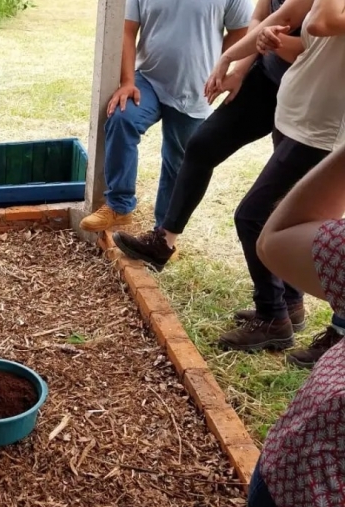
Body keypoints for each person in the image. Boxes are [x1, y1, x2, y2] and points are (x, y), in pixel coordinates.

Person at [113, 0, 345, 363]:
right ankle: (169, 240)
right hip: (286, 94)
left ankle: (279, 312)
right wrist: (234, 61)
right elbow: (270, 17)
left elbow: (318, 28)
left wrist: (269, 40)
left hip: (319, 120)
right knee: (208, 149)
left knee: (263, 214)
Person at [112, 0, 309, 272]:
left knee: (278, 202)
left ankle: (284, 303)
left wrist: (239, 52)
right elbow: (259, 19)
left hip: (308, 93)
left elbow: (309, 43)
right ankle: (163, 241)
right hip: (265, 77)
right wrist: (239, 70)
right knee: (202, 147)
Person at [203, 0, 345, 352]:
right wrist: (232, 55)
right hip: (295, 116)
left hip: (323, 131)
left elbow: (323, 22)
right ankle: (290, 305)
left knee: (252, 215)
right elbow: (287, 21)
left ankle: (273, 317)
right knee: (288, 214)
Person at [247, 140, 345, 507]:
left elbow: (278, 239)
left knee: (250, 215)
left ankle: (277, 317)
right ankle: (281, 315)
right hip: (300, 501)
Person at [78, 0, 252, 233]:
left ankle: (163, 232)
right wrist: (128, 81)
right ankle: (119, 206)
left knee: (178, 161)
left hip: (193, 87)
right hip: (147, 79)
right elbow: (127, 30)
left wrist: (213, 64)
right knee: (122, 118)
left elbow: (241, 30)